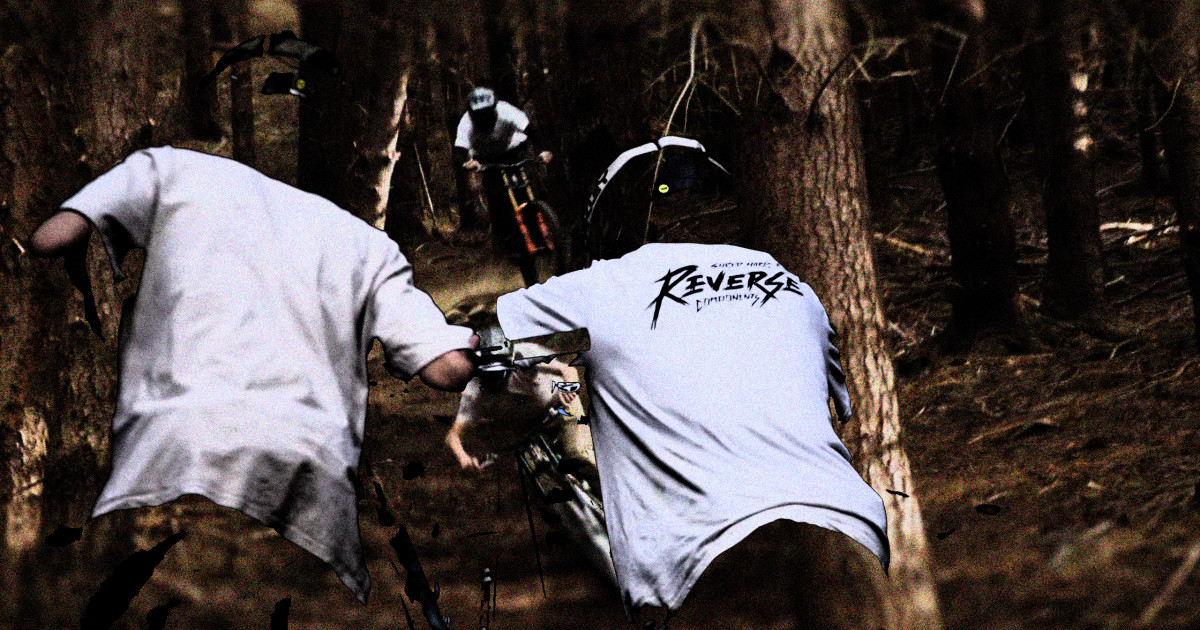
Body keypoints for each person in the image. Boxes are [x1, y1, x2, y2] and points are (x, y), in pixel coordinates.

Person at [27, 146, 476, 604]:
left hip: (170, 455)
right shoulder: (369, 247)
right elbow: (445, 369)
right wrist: (483, 348)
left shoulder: (172, 170)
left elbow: (46, 239)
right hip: (303, 487)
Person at [489, 142, 895, 628]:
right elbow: (839, 400)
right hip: (844, 525)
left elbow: (501, 332)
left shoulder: (610, 282)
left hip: (706, 557)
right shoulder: (792, 285)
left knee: (585, 404)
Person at [453, 86, 553, 257]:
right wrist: (467, 163)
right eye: (479, 116)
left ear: (494, 109)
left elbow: (532, 132)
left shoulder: (507, 111)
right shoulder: (466, 123)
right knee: (497, 196)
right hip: (486, 159)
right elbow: (458, 151)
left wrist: (542, 151)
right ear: (472, 115)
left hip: (513, 151)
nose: (484, 119)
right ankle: (508, 240)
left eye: (487, 114)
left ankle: (545, 228)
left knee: (524, 188)